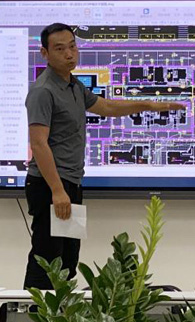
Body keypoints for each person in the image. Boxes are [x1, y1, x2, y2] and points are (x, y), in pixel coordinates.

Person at [23, 23, 184, 289]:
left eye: (72, 46)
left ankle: (61, 313)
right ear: (44, 53)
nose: (69, 54)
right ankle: (33, 313)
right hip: (50, 186)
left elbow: (106, 107)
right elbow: (39, 144)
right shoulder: (44, 90)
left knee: (67, 260)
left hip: (71, 182)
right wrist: (57, 191)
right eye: (60, 49)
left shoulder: (73, 85)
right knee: (47, 259)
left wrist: (147, 105)